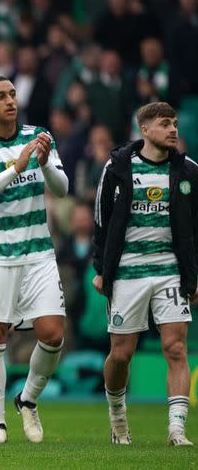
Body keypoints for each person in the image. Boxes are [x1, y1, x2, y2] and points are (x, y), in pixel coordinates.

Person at [0, 75, 68, 444]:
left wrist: (45, 162)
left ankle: (27, 399)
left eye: (13, 94)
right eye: (0, 96)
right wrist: (17, 167)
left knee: (53, 334)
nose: (10, 101)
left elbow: (62, 189)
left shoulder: (38, 136)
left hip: (37, 252)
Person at [92, 102, 198, 447]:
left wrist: (193, 275)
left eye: (175, 124)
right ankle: (117, 417)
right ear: (145, 130)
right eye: (165, 124)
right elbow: (101, 220)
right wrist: (100, 270)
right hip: (127, 272)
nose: (173, 130)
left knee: (176, 348)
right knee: (122, 354)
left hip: (169, 270)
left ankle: (177, 429)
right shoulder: (118, 167)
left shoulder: (188, 171)